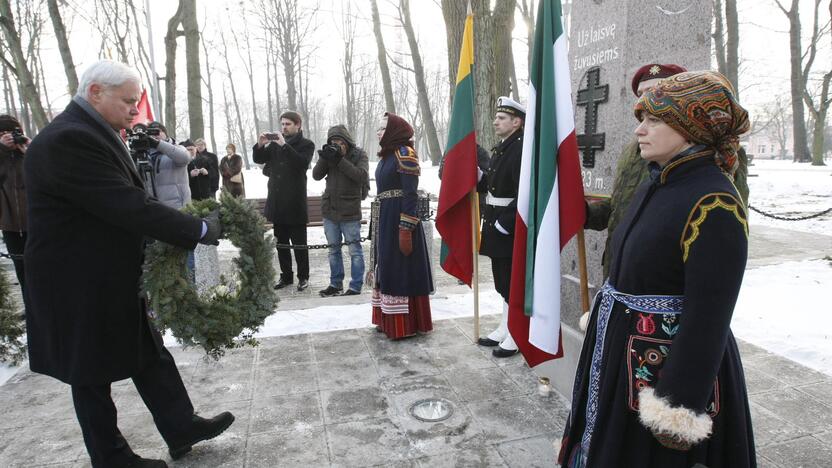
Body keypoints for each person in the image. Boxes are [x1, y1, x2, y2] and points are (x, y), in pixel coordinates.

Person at [23, 60, 234, 468]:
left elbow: (133, 199)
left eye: (136, 102)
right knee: (89, 373)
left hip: (108, 272)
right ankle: (112, 457)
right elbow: (125, 204)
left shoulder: (94, 131)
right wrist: (196, 231)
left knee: (148, 351)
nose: (135, 111)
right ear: (95, 92)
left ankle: (180, 426)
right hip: (76, 279)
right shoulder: (68, 139)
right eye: (128, 101)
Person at [558, 71, 755, 467]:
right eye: (640, 120)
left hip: (663, 369)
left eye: (654, 120)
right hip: (624, 352)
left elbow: (709, 320)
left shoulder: (714, 201)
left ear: (689, 127)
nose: (640, 131)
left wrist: (676, 407)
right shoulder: (659, 181)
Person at [585, 63, 686, 280]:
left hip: (657, 284)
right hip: (617, 268)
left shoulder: (706, 154)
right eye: (640, 94)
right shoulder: (634, 150)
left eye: (654, 91)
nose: (643, 100)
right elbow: (620, 207)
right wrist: (583, 213)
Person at [368, 112, 432, 339]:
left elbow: (410, 193)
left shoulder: (405, 153)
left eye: (384, 128)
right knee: (386, 266)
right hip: (385, 217)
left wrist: (406, 227)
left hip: (398, 218)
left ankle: (404, 324)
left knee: (400, 267)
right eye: (378, 128)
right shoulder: (386, 156)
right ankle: (387, 319)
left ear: (395, 130)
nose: (379, 132)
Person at [475, 96, 525, 358]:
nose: (496, 121)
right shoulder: (503, 147)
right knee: (502, 282)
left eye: (502, 118)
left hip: (508, 225)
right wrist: (477, 176)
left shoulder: (520, 149)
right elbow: (492, 187)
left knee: (511, 283)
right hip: (495, 222)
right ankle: (505, 326)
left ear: (516, 122)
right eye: (497, 117)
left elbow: (524, 193)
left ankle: (516, 334)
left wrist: (506, 224)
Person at [253, 110, 315, 291]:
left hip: (295, 203)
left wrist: (284, 145)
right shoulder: (273, 146)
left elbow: (302, 163)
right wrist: (260, 144)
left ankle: (303, 277)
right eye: (282, 124)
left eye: (288, 124)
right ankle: (286, 276)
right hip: (277, 201)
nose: (284, 127)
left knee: (299, 244)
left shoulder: (306, 144)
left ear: (298, 125)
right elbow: (259, 159)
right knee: (281, 244)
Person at [313, 124, 369, 297]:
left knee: (354, 251)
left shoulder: (359, 155)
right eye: (332, 141)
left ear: (347, 141)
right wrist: (325, 157)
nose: (336, 144)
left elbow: (361, 176)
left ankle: (355, 286)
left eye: (339, 141)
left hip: (350, 211)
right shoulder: (330, 154)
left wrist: (340, 160)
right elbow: (316, 175)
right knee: (333, 250)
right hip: (330, 210)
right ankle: (335, 284)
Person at [0, 115, 30, 296]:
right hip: (10, 225)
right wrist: (2, 150)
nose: (8, 138)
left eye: (11, 133)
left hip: (35, 223)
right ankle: (31, 311)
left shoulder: (28, 153)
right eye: (2, 134)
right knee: (22, 272)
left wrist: (30, 150)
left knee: (40, 270)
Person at [145, 121, 191, 210]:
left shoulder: (178, 148)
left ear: (166, 134)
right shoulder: (144, 154)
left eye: (158, 131)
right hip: (152, 206)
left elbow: (185, 158)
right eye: (151, 132)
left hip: (177, 206)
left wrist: (158, 144)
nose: (156, 135)